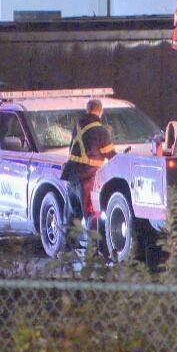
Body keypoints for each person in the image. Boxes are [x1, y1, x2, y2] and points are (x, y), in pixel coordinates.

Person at [61, 99, 117, 245]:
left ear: (87, 110)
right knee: (91, 213)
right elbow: (110, 155)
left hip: (71, 174)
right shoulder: (101, 130)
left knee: (73, 214)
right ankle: (93, 252)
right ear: (100, 111)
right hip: (86, 176)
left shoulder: (78, 126)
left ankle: (68, 250)